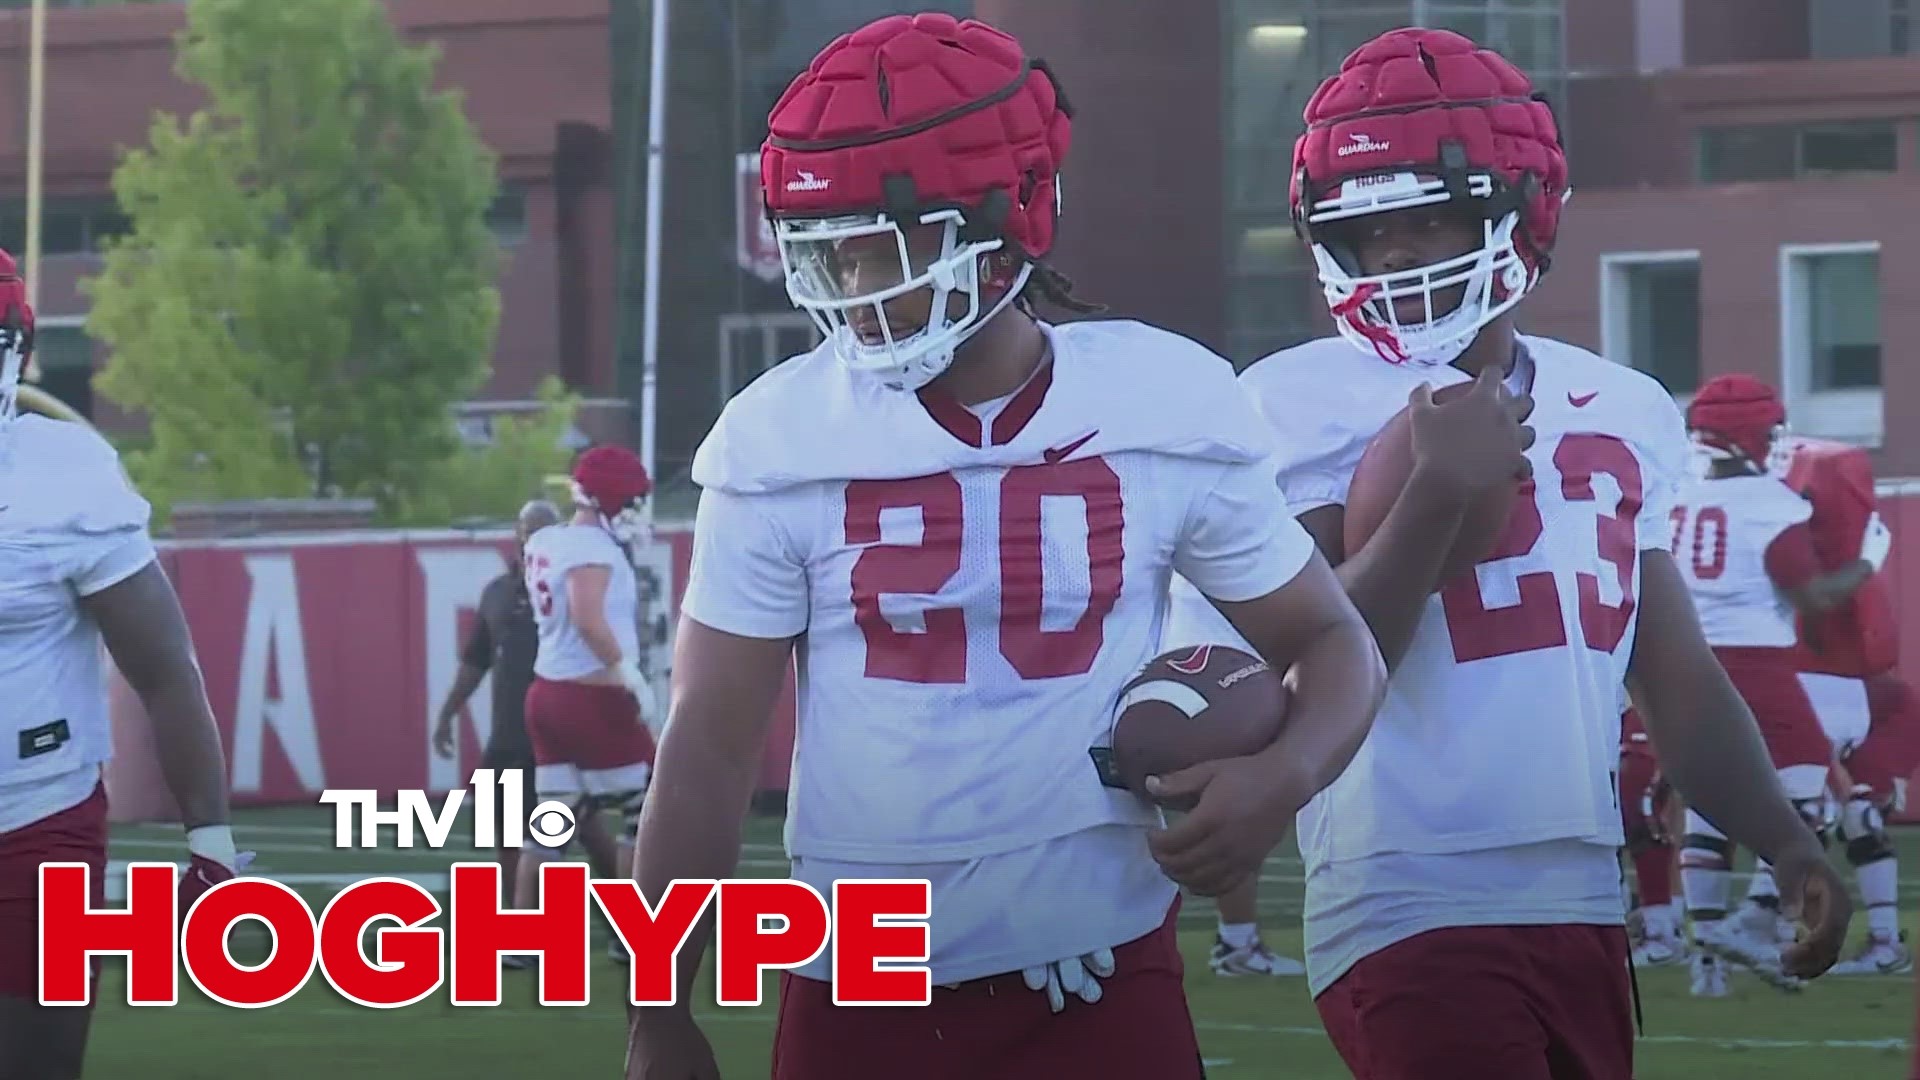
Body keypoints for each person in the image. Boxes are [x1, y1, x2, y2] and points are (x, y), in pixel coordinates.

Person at [624, 13, 1387, 1080]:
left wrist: (1290, 774)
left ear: (1008, 220)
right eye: (830, 249)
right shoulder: (777, 439)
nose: (854, 283)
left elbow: (1333, 640)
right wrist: (657, 1009)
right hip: (860, 985)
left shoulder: (1158, 404)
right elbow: (706, 745)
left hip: (1099, 972)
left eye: (882, 243)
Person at [1161, 28, 1849, 1079]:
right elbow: (1312, 668)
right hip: (1404, 889)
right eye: (1368, 230)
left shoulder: (1619, 405)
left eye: (1427, 221)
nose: (1392, 256)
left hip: (1577, 894)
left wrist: (1785, 833)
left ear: (1522, 215)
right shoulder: (1284, 405)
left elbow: (1676, 678)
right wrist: (1434, 495)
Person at [0, 247, 246, 1078]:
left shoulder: (65, 477)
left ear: (17, 351)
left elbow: (166, 668)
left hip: (37, 819)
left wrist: (209, 838)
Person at [1663, 374, 1879, 995]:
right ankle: (1753, 918)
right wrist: (1869, 560)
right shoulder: (1773, 504)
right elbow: (1807, 594)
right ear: (1752, 435)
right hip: (1754, 658)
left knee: (1711, 801)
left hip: (1687, 658)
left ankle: (1706, 964)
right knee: (1809, 788)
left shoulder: (1677, 492)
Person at [432, 499, 621, 910]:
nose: (533, 538)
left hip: (559, 730)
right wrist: (448, 712)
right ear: (516, 536)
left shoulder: (573, 588)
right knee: (506, 834)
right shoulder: (497, 592)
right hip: (508, 733)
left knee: (586, 827)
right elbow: (476, 659)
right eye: (527, 529)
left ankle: (632, 915)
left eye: (542, 529)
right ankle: (518, 928)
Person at [513, 448, 658, 922]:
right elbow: (589, 619)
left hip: (548, 689)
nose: (637, 510)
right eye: (632, 499)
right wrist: (628, 672)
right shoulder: (591, 548)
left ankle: (520, 936)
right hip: (591, 694)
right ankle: (633, 930)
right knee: (646, 809)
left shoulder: (547, 540)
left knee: (550, 823)